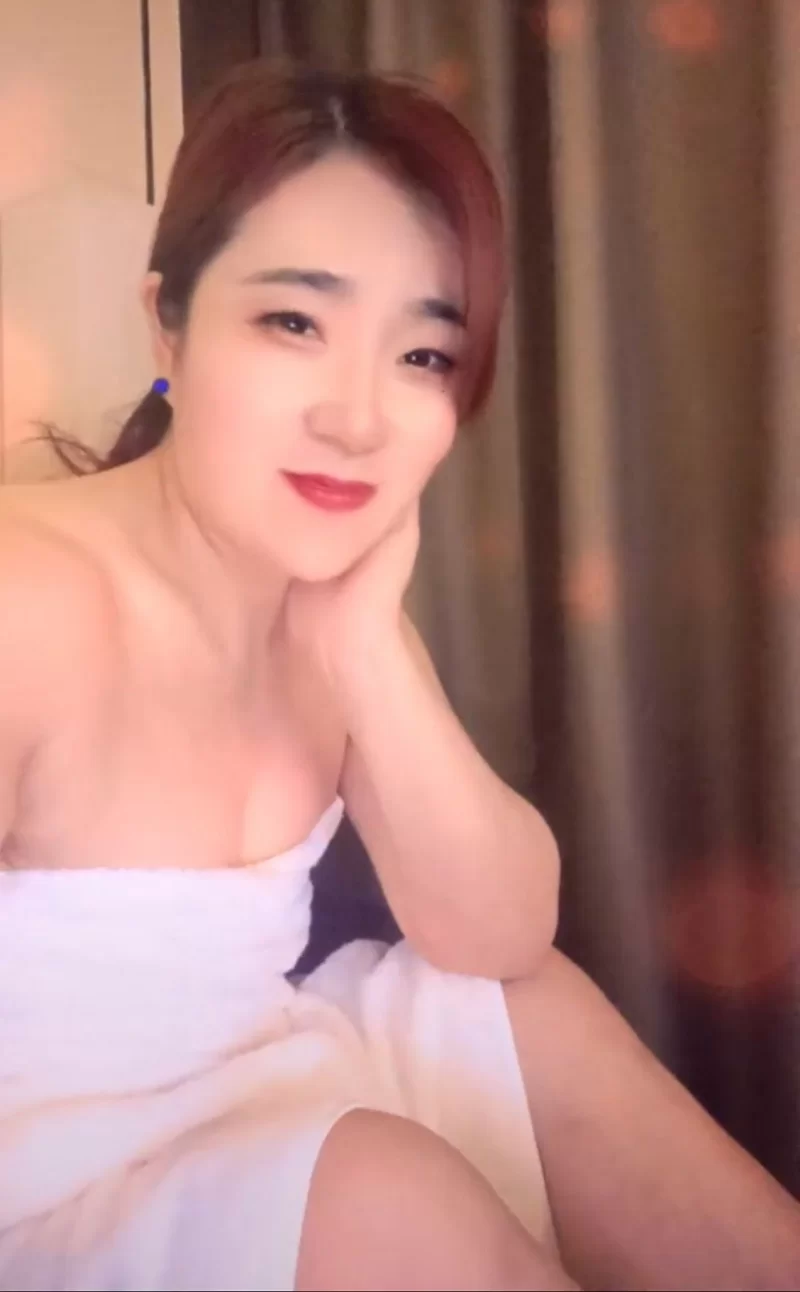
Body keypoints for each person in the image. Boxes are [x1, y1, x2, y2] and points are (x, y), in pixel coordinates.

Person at [0, 61, 796, 1292]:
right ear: (168, 324)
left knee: (526, 1007)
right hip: (50, 1176)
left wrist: (367, 648)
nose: (358, 419)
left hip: (254, 1067)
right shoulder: (29, 599)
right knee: (383, 1195)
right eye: (294, 323)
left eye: (422, 354)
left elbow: (500, 930)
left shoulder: (325, 599)